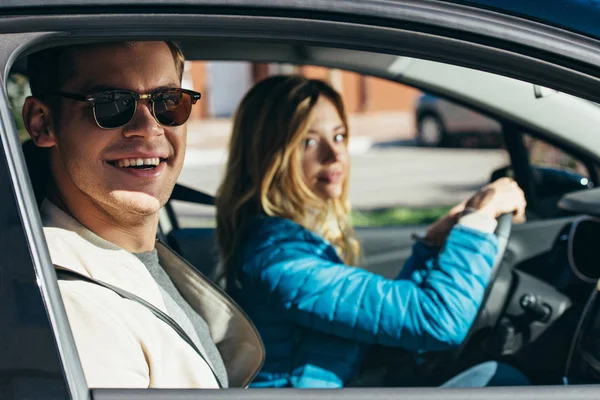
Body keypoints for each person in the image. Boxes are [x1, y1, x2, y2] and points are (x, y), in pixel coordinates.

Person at [215, 75, 528, 388]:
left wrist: (432, 244)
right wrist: (480, 219)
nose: (334, 155)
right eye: (308, 142)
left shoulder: (282, 245)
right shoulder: (279, 261)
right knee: (502, 381)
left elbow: (382, 319)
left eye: (338, 137)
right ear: (268, 155)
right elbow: (438, 321)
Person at [22, 41, 263, 389]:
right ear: (42, 123)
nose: (148, 128)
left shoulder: (138, 262)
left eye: (168, 102)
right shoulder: (78, 309)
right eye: (111, 104)